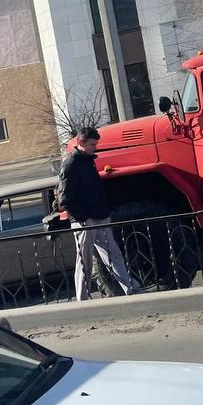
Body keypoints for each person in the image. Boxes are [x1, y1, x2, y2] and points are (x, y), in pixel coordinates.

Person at [58, 127, 139, 300]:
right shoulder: (72, 163)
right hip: (87, 220)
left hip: (96, 217)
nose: (96, 147)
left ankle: (130, 288)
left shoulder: (83, 161)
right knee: (86, 261)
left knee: (110, 254)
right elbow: (65, 199)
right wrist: (83, 218)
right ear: (81, 143)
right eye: (93, 144)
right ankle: (83, 299)